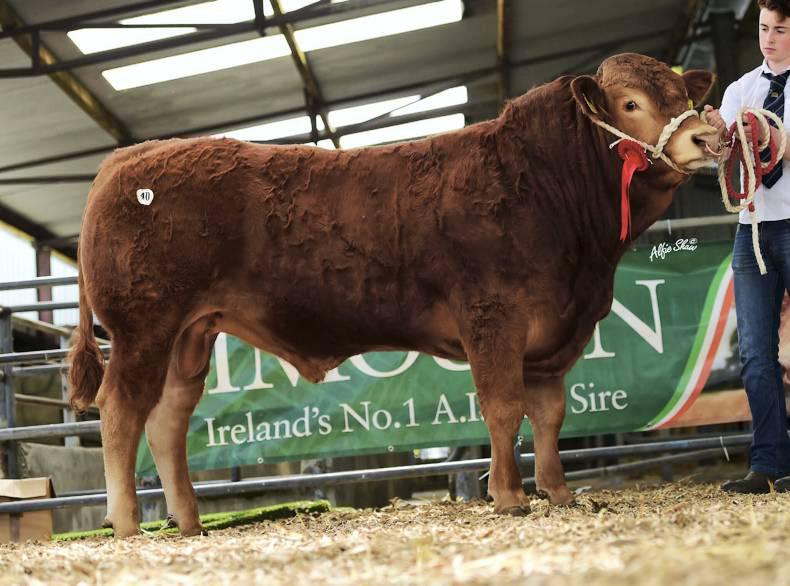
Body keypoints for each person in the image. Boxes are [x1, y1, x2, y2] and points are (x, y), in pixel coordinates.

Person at [705, 0, 790, 493]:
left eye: (780, 29)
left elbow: (775, 144)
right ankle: (769, 464)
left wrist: (773, 136)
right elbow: (720, 149)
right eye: (763, 27)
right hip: (752, 228)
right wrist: (714, 137)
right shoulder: (740, 89)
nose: (769, 39)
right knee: (756, 354)